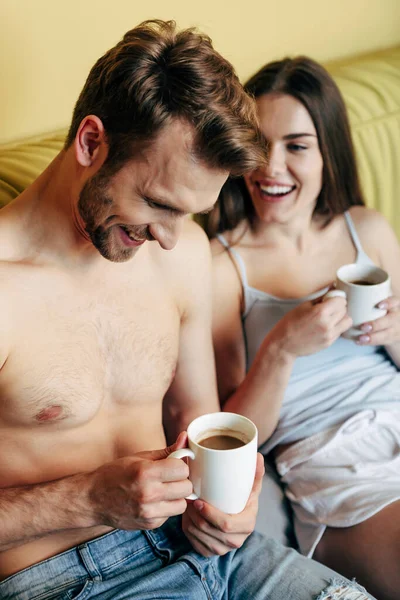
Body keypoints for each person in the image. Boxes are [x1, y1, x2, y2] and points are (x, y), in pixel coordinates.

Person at [0, 21, 370, 600]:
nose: (173, 239)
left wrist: (237, 500)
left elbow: (206, 424)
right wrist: (90, 497)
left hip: (212, 550)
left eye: (191, 214)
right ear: (91, 143)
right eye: (158, 204)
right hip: (65, 578)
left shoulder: (184, 254)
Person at [208, 55, 400, 600]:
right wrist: (281, 349)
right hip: (333, 461)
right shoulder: (222, 269)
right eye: (258, 144)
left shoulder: (367, 229)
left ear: (328, 152)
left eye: (296, 146)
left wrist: (395, 332)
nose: (271, 168)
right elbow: (231, 435)